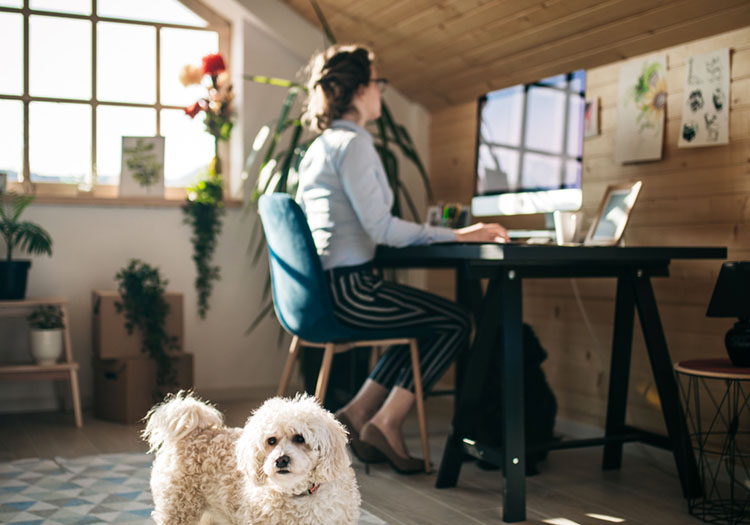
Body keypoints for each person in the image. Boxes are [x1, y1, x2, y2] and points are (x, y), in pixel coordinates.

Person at [297, 44, 508, 474]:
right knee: (454, 322)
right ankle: (388, 421)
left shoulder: (320, 147)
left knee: (422, 324)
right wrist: (459, 233)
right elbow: (382, 229)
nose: (381, 92)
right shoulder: (353, 146)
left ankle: (357, 413)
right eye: (378, 83)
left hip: (324, 291)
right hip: (351, 291)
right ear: (359, 90)